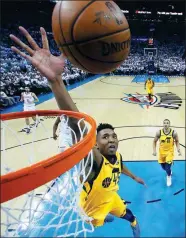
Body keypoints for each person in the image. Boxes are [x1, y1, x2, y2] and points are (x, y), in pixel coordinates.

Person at [10, 26, 146, 237]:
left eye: (113, 135)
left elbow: (121, 166)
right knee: (96, 223)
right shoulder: (95, 161)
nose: (111, 139)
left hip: (112, 197)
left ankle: (133, 221)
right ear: (95, 144)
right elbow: (76, 124)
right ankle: (103, 216)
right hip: (92, 207)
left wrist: (134, 176)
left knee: (127, 214)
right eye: (105, 136)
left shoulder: (116, 156)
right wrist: (55, 81)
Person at [153, 119, 182, 186]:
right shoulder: (159, 132)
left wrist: (178, 149)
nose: (166, 124)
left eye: (167, 123)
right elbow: (154, 141)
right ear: (163, 124)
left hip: (169, 152)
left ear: (169, 124)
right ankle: (169, 170)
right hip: (161, 153)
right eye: (164, 123)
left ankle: (168, 177)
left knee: (167, 168)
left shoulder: (173, 133)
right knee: (163, 168)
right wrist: (154, 151)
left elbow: (177, 141)